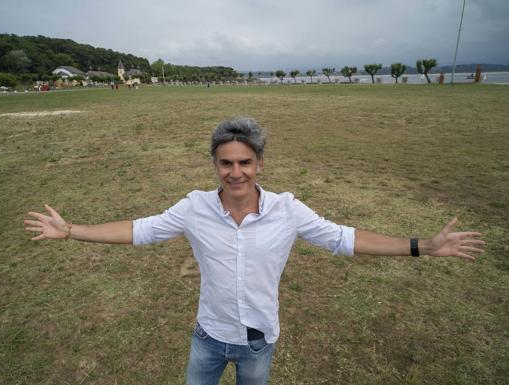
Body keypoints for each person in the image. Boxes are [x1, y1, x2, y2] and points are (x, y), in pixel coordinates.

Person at [24, 117, 485, 385]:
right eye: (226, 163)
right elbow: (140, 230)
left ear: (260, 164)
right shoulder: (193, 208)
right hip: (206, 338)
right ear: (215, 165)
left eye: (245, 162)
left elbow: (346, 239)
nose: (236, 172)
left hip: (259, 340)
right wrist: (74, 231)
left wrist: (422, 245)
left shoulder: (288, 210)